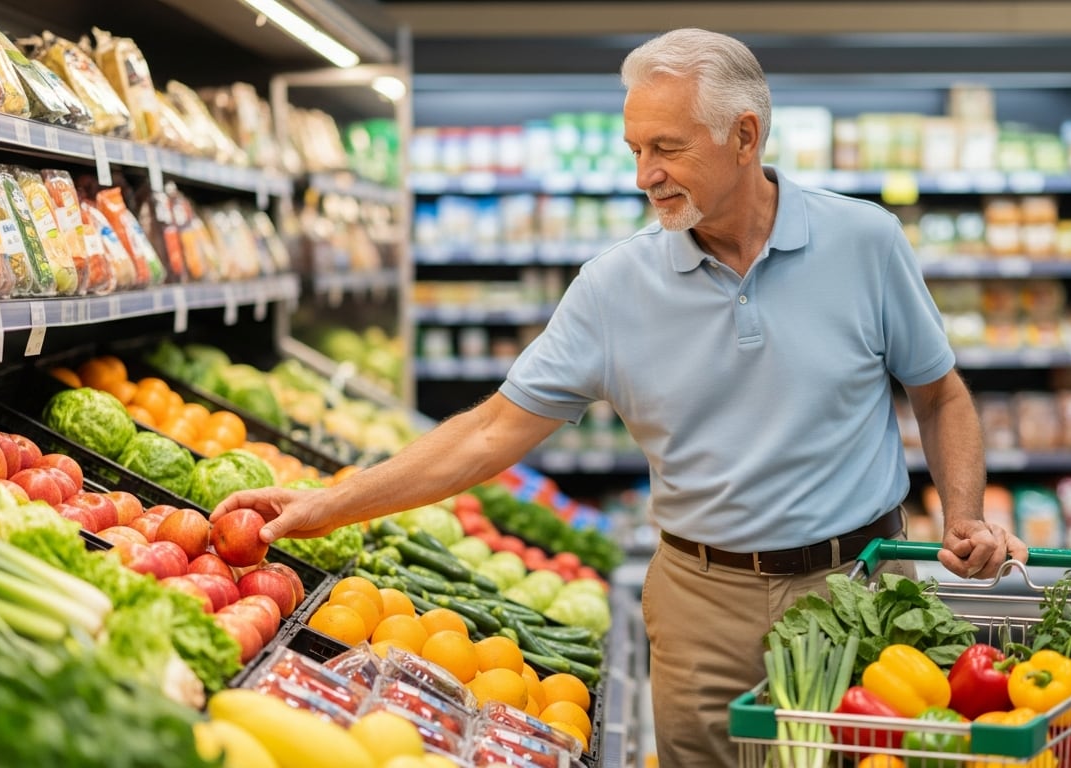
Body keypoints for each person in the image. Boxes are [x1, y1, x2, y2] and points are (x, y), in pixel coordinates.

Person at [214, 27, 1027, 767]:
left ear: (745, 136)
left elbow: (941, 396)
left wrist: (965, 514)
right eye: (636, 148)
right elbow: (488, 433)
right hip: (703, 606)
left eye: (667, 148)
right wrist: (331, 502)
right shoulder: (614, 287)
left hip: (861, 589)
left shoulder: (865, 242)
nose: (646, 176)